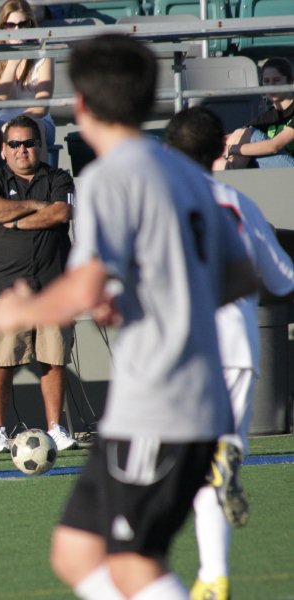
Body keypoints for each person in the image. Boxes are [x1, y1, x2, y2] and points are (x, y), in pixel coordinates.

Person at [0, 35, 257, 599]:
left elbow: (85, 284)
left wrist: (26, 309)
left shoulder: (112, 177)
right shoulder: (189, 177)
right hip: (162, 402)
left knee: (132, 564)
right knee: (75, 550)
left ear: (81, 105)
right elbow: (239, 278)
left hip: (161, 405)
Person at [165, 106, 294, 600]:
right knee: (215, 462)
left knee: (174, 464)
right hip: (239, 349)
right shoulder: (240, 205)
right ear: (222, 150)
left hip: (185, 349)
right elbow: (283, 278)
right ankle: (214, 577)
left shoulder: (162, 204)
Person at [0, 114, 77, 454]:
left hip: (53, 284)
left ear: (41, 146)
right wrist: (36, 206)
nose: (22, 150)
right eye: (14, 144)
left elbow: (61, 213)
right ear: (3, 150)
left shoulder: (59, 177)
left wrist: (16, 222)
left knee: (53, 360)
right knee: (0, 361)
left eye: (29, 143)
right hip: (7, 287)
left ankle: (55, 428)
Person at [0, 0, 55, 174]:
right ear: (2, 26)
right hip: (0, 120)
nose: (17, 31)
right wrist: (12, 63)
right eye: (10, 25)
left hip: (38, 120)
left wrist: (15, 125)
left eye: (22, 24)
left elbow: (42, 106)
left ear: (31, 25)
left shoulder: (43, 54)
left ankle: (40, 187)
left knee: (34, 129)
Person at [219, 56, 294, 170]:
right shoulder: (270, 115)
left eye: (276, 80)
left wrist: (231, 149)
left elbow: (274, 146)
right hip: (280, 172)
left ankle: (228, 178)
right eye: (266, 81)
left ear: (290, 81)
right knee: (239, 134)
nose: (270, 86)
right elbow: (238, 135)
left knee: (248, 134)